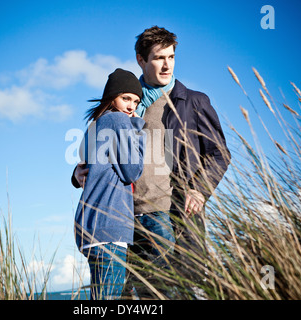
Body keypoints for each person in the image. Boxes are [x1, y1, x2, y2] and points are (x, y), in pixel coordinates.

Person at [72, 26, 231, 299]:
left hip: (165, 216)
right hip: (119, 220)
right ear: (141, 60)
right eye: (159, 58)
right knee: (122, 298)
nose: (166, 64)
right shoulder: (126, 98)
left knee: (165, 293)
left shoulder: (193, 102)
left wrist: (199, 189)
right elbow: (99, 150)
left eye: (171, 57)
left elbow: (219, 154)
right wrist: (77, 172)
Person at [73, 68, 147, 300]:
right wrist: (138, 130)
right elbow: (132, 171)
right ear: (112, 97)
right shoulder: (117, 119)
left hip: (91, 227)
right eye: (126, 98)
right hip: (109, 227)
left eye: (136, 101)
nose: (131, 106)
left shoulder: (94, 125)